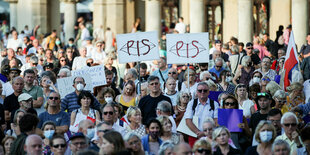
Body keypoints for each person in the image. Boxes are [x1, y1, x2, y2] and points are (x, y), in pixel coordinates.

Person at [184, 82, 219, 146]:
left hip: (210, 135)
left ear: (208, 92)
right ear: (197, 92)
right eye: (200, 91)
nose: (202, 92)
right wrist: (198, 132)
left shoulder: (214, 104)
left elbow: (216, 121)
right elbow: (188, 121)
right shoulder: (191, 103)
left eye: (205, 90)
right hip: (194, 135)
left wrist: (205, 133)